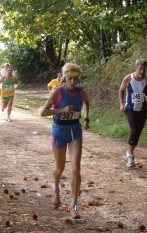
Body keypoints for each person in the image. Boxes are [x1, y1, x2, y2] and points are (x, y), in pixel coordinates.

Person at [40, 63, 90, 219]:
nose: (73, 82)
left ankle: (73, 205)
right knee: (60, 168)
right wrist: (61, 110)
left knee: (76, 169)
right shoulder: (57, 92)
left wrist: (86, 118)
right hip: (59, 130)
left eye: (76, 79)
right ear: (64, 78)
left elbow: (86, 103)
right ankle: (55, 190)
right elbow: (43, 112)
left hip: (75, 130)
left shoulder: (81, 92)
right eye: (70, 79)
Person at [119, 59, 147, 167]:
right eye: (140, 68)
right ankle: (130, 155)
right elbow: (121, 90)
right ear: (135, 68)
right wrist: (121, 104)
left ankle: (128, 154)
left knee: (138, 132)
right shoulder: (128, 78)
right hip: (130, 108)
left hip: (142, 109)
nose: (142, 71)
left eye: (144, 69)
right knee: (134, 131)